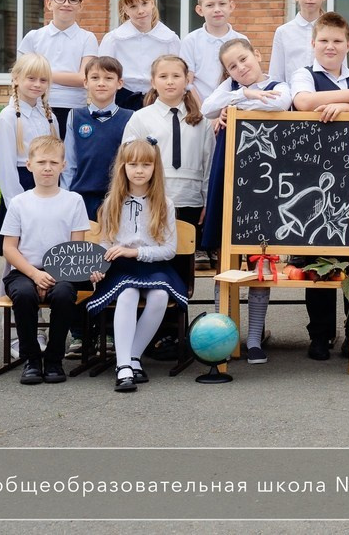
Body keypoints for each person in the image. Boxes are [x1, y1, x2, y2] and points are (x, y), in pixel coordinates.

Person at [290, 12, 349, 359]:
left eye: (337, 41)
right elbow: (302, 102)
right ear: (314, 44)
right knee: (318, 259)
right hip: (313, 182)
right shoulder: (305, 74)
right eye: (324, 41)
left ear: (348, 45)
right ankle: (320, 334)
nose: (330, 46)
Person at [200, 38, 292, 362]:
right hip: (230, 180)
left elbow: (279, 103)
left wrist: (241, 103)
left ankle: (254, 337)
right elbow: (205, 108)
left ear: (257, 54)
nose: (241, 68)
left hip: (263, 185)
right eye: (232, 66)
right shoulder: (228, 92)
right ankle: (221, 334)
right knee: (226, 260)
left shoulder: (278, 84)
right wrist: (243, 95)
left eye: (243, 60)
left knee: (259, 260)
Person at [123, 54, 213, 358]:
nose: (170, 81)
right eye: (163, 76)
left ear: (188, 81)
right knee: (151, 264)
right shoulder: (141, 118)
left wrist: (205, 200)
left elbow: (208, 163)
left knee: (180, 269)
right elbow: (127, 159)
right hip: (153, 201)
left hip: (188, 201)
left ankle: (175, 335)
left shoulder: (200, 120)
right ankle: (151, 337)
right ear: (153, 82)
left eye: (177, 76)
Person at [87, 140, 189, 392]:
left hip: (153, 265)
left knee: (159, 295)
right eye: (133, 164)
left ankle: (133, 356)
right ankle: (123, 367)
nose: (139, 170)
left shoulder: (164, 203)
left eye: (146, 164)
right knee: (129, 293)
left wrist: (136, 252)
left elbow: (169, 250)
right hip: (120, 269)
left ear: (155, 168)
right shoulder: (112, 201)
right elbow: (104, 243)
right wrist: (97, 265)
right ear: (123, 167)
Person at [0, 136, 92, 384]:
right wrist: (35, 275)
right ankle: (31, 360)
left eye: (53, 162)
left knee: (62, 295)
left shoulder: (73, 201)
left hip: (64, 270)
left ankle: (53, 360)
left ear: (63, 165)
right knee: (25, 294)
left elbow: (76, 248)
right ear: (29, 165)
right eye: (41, 162)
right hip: (24, 271)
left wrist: (51, 276)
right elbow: (9, 248)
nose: (47, 167)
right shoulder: (19, 203)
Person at [0, 53, 60, 257]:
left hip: (47, 187)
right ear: (16, 78)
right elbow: (6, 170)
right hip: (21, 188)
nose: (37, 84)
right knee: (17, 256)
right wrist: (17, 209)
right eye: (31, 78)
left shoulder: (49, 117)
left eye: (43, 80)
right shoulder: (7, 118)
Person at [17, 0, 98, 138]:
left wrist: (42, 75)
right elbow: (20, 76)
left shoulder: (88, 38)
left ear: (80, 5)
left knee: (67, 158)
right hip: (37, 106)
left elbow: (83, 78)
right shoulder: (33, 37)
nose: (66, 3)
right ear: (49, 3)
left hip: (73, 107)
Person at [62, 57, 132, 220]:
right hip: (81, 197)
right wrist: (65, 197)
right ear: (85, 83)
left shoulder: (130, 117)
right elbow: (69, 163)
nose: (101, 83)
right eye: (95, 78)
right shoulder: (75, 116)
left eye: (108, 78)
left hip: (117, 197)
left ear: (119, 83)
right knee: (84, 244)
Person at [97, 0, 182, 110]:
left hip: (159, 101)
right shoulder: (113, 40)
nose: (140, 11)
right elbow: (102, 74)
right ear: (125, 9)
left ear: (152, 3)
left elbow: (178, 73)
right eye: (133, 6)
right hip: (122, 102)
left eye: (144, 3)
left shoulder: (169, 39)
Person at [181, 0, 248, 101]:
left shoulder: (241, 41)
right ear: (200, 10)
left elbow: (247, 78)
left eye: (222, 4)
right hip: (200, 109)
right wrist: (201, 112)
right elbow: (187, 83)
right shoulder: (191, 41)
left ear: (231, 6)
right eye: (210, 5)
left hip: (233, 107)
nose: (217, 9)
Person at [270, 0, 326, 83]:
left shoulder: (335, 30)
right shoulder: (283, 32)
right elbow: (276, 75)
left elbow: (341, 71)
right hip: (292, 96)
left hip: (326, 96)